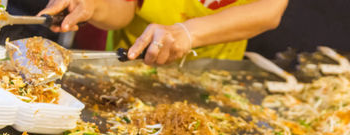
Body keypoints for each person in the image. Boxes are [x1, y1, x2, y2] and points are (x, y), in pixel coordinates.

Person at [38, 0, 288, 65]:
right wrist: (93, 6)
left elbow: (270, 10)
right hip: (132, 68)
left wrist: (188, 33)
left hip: (214, 73)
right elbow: (122, 8)